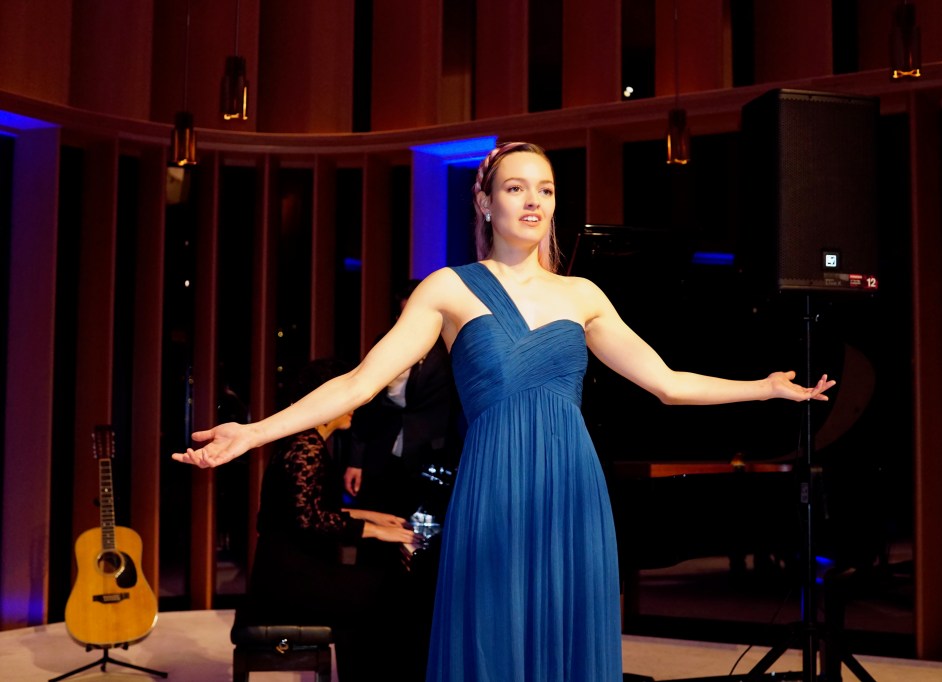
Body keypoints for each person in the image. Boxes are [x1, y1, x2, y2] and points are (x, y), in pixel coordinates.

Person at [174, 141, 836, 682]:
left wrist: (764, 387)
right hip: (493, 488)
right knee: (493, 639)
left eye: (545, 189)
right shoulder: (449, 289)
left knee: (566, 638)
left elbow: (667, 383)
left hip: (572, 489)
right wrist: (254, 432)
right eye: (516, 187)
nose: (533, 200)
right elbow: (359, 384)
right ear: (486, 202)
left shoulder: (583, 294)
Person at [242, 357, 421, 681]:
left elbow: (315, 507)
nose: (356, 405)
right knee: (388, 592)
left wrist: (375, 517)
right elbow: (310, 520)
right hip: (288, 578)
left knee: (379, 587)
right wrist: (376, 532)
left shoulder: (307, 441)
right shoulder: (306, 447)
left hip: (291, 568)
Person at [344, 279, 463, 564]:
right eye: (402, 313)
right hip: (381, 452)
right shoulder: (384, 343)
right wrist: (355, 461)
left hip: (428, 457)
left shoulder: (447, 350)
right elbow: (367, 405)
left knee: (419, 542)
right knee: (375, 541)